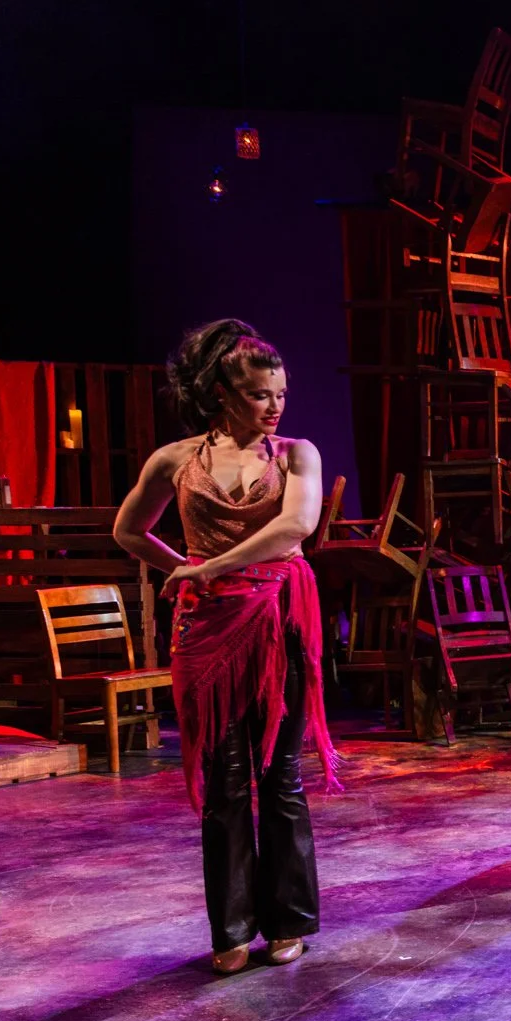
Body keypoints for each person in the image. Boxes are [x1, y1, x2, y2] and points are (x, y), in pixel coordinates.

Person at [113, 320, 339, 974]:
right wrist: (182, 568)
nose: (276, 406)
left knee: (280, 773)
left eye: (281, 394)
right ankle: (232, 930)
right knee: (225, 781)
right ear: (222, 392)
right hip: (208, 626)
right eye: (261, 394)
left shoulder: (296, 454)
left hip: (280, 617)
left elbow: (296, 526)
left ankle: (289, 921)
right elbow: (128, 529)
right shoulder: (175, 460)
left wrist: (205, 566)